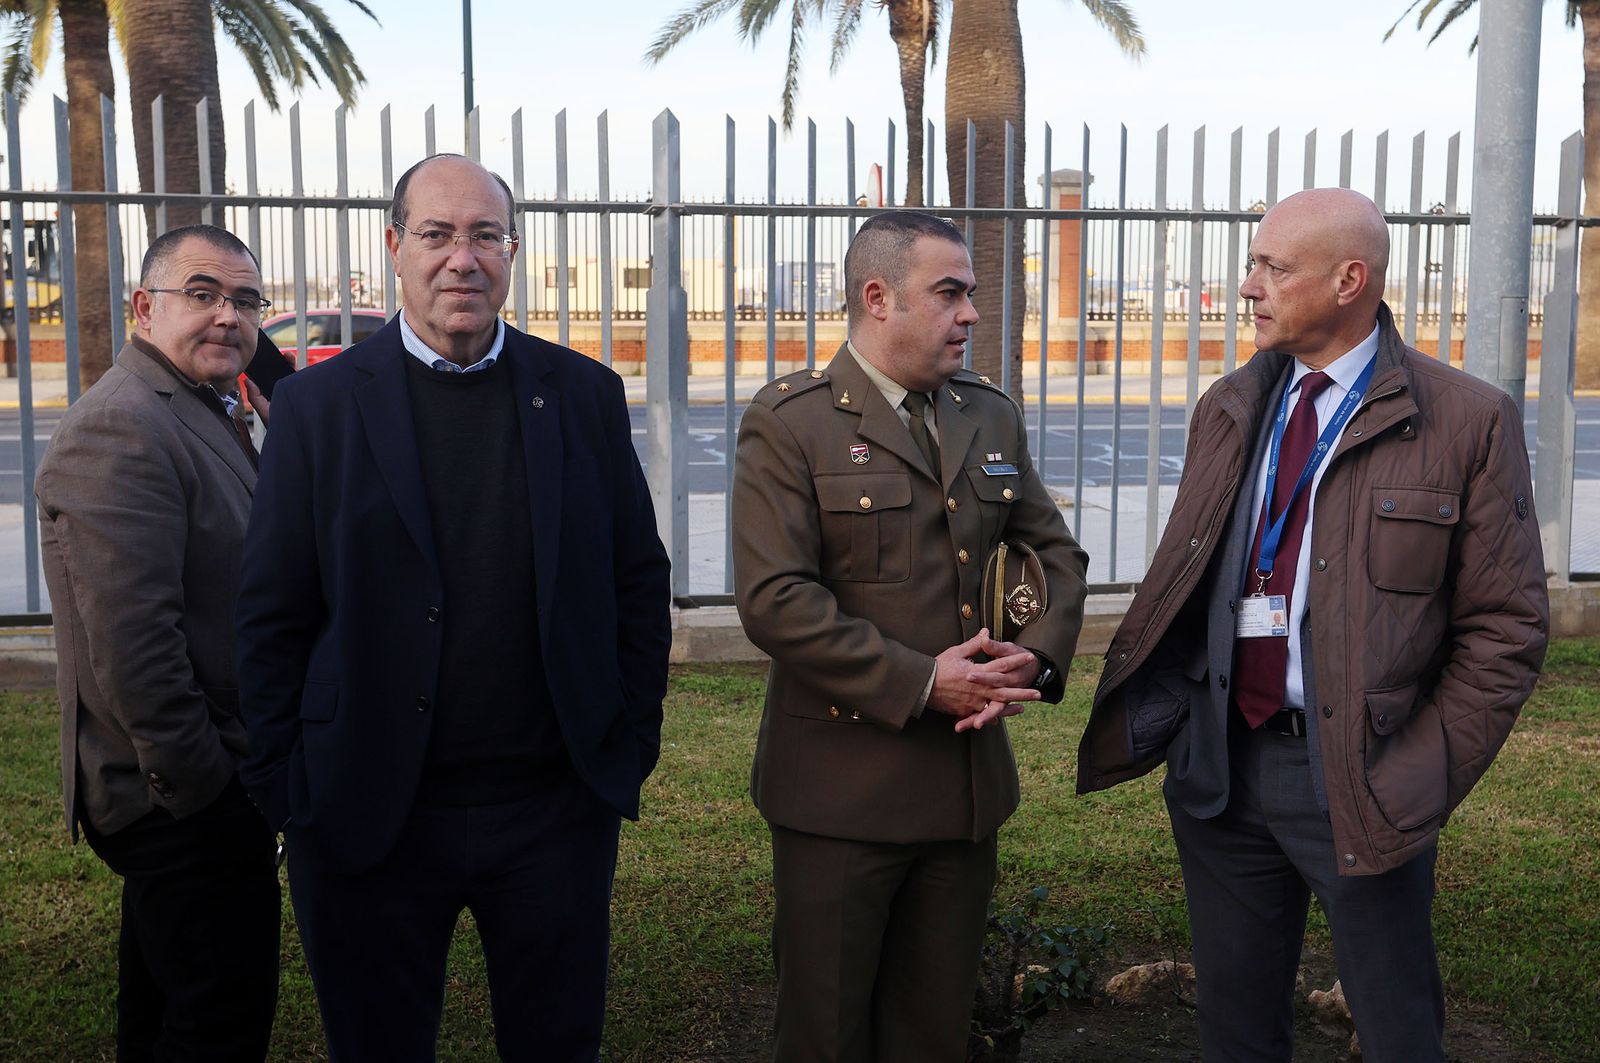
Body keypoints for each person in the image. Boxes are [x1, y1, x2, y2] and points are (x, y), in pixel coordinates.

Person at [1077, 188, 1550, 1061]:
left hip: (1364, 777)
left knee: (1398, 1027)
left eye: (1272, 267)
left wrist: (1418, 773)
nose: (1247, 285)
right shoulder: (1229, 405)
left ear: (1348, 280)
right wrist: (1182, 725)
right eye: (1254, 262)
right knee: (1237, 1031)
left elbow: (1507, 629)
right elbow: (1197, 574)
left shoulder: (1468, 421)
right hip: (1222, 769)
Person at [234, 153, 671, 1061]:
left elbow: (636, 577)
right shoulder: (315, 407)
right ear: (395, 249)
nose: (461, 259)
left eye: (484, 235)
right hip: (366, 812)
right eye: (436, 234)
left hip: (552, 810)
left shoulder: (586, 394)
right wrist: (289, 789)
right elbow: (271, 614)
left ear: (512, 253)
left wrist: (629, 735)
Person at [732, 210, 1089, 1062]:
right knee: (826, 1036)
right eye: (951, 293)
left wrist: (1031, 655)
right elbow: (776, 598)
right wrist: (926, 682)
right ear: (878, 297)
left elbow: (1055, 553)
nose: (972, 313)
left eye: (971, 294)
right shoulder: (794, 422)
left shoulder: (987, 415)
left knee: (931, 1037)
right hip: (839, 798)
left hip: (960, 794)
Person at [37, 223, 279, 1060]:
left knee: (167, 1001)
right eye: (202, 294)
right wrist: (210, 790)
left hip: (192, 790)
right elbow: (134, 648)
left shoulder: (201, 405)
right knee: (219, 1017)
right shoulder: (124, 427)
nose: (228, 316)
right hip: (178, 796)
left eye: (246, 300)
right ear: (143, 308)